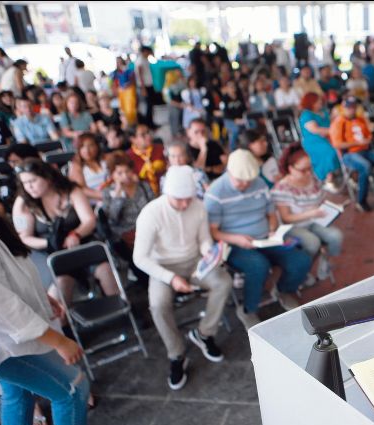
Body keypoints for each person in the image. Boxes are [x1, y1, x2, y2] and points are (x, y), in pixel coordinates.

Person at [0, 213, 128, 425]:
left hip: (9, 338)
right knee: (72, 387)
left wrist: (44, 298)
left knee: (17, 390)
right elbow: (4, 306)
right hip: (4, 344)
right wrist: (58, 341)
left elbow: (11, 277)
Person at [133, 165, 233, 390]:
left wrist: (210, 252)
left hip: (194, 260)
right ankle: (176, 353)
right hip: (162, 266)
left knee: (223, 281)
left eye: (188, 198)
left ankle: (205, 333)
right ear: (167, 193)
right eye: (179, 199)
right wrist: (171, 278)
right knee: (158, 305)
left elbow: (204, 239)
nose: (185, 204)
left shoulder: (197, 206)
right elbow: (140, 258)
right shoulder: (151, 213)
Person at [205, 150, 310, 329]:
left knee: (300, 260)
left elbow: (271, 214)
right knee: (257, 266)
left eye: (249, 181)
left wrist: (272, 229)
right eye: (240, 181)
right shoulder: (216, 193)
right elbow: (213, 231)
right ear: (229, 172)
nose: (245, 184)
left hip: (265, 238)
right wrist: (236, 239)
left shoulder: (260, 183)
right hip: (235, 244)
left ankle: (285, 290)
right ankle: (248, 309)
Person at [11, 159, 118, 302]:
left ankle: (122, 308)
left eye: (33, 181)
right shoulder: (23, 203)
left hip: (81, 244)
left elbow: (89, 220)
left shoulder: (71, 191)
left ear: (47, 178)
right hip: (51, 252)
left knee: (106, 272)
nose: (29, 187)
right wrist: (48, 242)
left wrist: (76, 234)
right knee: (59, 289)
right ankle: (66, 322)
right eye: (24, 183)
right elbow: (24, 237)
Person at [272, 143, 343, 283]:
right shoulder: (281, 189)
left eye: (310, 168)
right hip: (294, 226)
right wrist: (312, 213)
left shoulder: (312, 179)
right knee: (313, 243)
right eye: (303, 170)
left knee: (336, 236)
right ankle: (303, 270)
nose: (309, 173)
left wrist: (329, 208)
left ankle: (324, 260)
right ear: (290, 169)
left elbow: (320, 199)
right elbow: (286, 219)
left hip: (314, 220)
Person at [100, 151, 153, 284]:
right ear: (112, 175)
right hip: (125, 234)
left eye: (127, 171)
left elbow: (154, 207)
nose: (125, 176)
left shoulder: (143, 186)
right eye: (119, 173)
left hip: (148, 227)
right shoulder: (108, 192)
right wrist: (118, 196)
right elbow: (112, 219)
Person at [329, 96, 374, 211]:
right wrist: (357, 142)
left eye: (353, 107)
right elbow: (337, 144)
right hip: (349, 154)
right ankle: (361, 201)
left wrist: (368, 139)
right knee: (365, 166)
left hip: (365, 150)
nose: (351, 110)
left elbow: (368, 135)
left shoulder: (360, 119)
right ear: (343, 108)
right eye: (349, 107)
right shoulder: (339, 122)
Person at [298, 93, 340, 192]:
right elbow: (315, 130)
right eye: (317, 101)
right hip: (314, 141)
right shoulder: (306, 115)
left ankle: (337, 174)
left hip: (328, 138)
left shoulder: (323, 111)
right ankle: (327, 179)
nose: (320, 102)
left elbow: (330, 122)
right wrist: (332, 131)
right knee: (330, 152)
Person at [126, 124, 167, 195]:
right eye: (143, 135)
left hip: (164, 190)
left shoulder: (160, 148)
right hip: (143, 195)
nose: (148, 136)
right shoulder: (128, 157)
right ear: (133, 139)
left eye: (148, 132)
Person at [67, 133, 108, 205]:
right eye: (82, 147)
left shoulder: (106, 159)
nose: (87, 150)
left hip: (112, 195)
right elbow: (81, 190)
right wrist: (105, 196)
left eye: (91, 145)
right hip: (93, 203)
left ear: (97, 146)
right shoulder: (76, 165)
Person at [111, 56, 137, 127]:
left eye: (120, 61)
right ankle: (126, 123)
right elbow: (114, 83)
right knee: (123, 108)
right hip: (121, 91)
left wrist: (128, 85)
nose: (118, 63)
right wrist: (116, 90)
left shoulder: (128, 69)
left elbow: (133, 79)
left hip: (129, 91)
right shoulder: (115, 72)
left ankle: (132, 122)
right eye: (117, 62)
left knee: (130, 106)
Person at [135, 46, 156, 128]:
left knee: (150, 106)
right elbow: (140, 76)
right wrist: (143, 88)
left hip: (148, 85)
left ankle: (150, 123)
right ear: (144, 51)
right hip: (145, 86)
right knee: (148, 105)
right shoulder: (140, 61)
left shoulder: (145, 59)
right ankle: (148, 124)